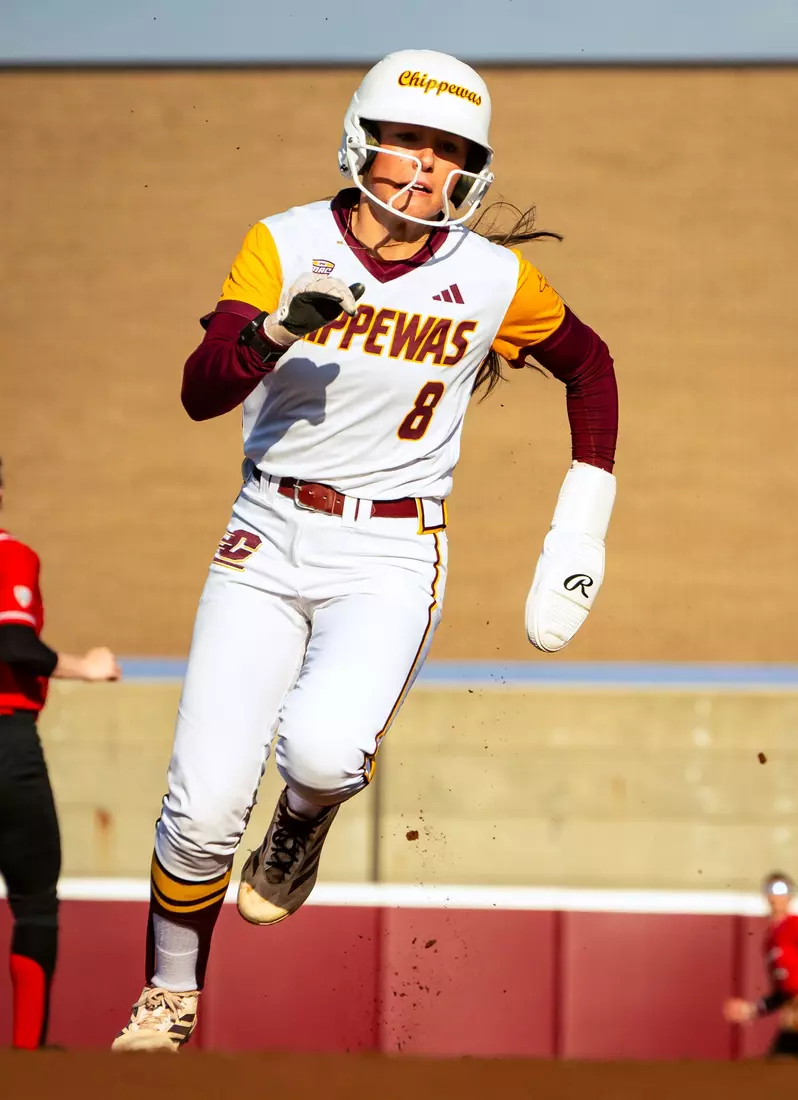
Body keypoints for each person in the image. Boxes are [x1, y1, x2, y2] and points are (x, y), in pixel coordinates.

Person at [112, 48, 618, 1052]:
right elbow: (200, 389)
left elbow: (588, 361)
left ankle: (299, 823)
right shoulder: (287, 242)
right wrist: (266, 332)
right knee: (206, 795)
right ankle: (168, 997)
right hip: (266, 530)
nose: (428, 167)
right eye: (411, 142)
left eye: (451, 151)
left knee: (321, 749)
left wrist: (584, 509)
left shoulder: (491, 276)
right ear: (363, 140)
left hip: (390, 550)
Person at [0, 458, 121, 1050]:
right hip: (5, 739)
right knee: (34, 902)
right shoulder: (10, 553)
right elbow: (14, 641)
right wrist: (87, 669)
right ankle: (25, 1058)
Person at [723, 871, 798, 1061]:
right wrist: (753, 1010)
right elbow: (783, 993)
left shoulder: (796, 924)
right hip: (796, 1011)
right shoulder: (770, 940)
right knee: (777, 1066)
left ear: (790, 896)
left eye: (781, 889)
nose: (775, 896)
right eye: (770, 889)